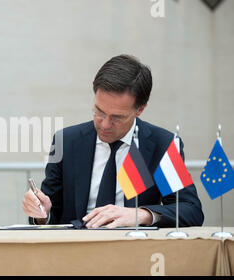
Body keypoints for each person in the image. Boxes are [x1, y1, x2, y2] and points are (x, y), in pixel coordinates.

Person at [22, 54, 204, 228]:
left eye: (117, 117)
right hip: (75, 250)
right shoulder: (66, 141)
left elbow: (190, 210)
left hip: (133, 250)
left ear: (140, 109)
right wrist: (41, 213)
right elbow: (52, 212)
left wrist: (140, 215)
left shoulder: (162, 145)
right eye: (99, 111)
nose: (105, 124)